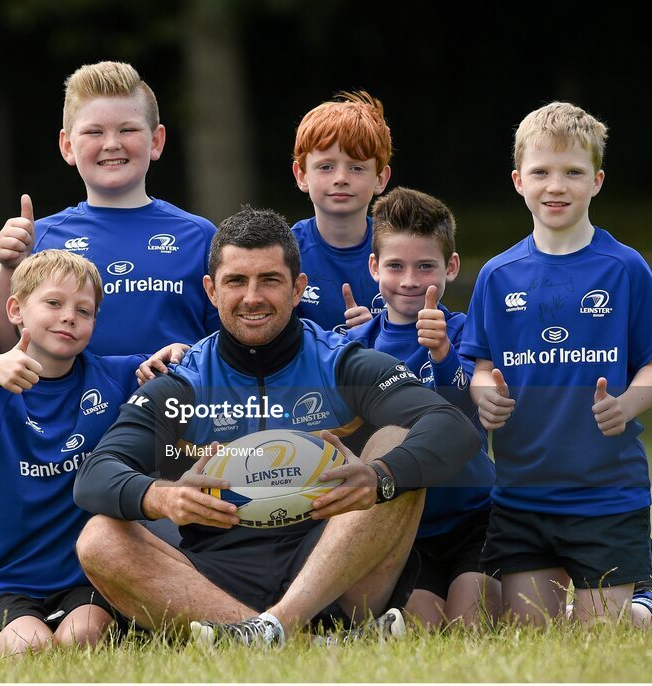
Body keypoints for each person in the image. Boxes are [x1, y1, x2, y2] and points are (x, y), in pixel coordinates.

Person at [72, 206, 481, 646]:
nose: (253, 297)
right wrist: (164, 497)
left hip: (333, 566)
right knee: (98, 538)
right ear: (211, 290)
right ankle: (298, 639)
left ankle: (273, 630)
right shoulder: (183, 382)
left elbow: (452, 427)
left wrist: (379, 478)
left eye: (269, 280)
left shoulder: (340, 361)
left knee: (396, 444)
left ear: (297, 288)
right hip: (216, 573)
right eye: (235, 281)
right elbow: (96, 474)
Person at [460, 102, 652, 627]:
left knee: (600, 633)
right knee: (528, 631)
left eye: (573, 173)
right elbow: (481, 365)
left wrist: (628, 402)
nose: (555, 186)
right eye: (541, 172)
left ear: (597, 181)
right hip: (521, 495)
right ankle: (621, 591)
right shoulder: (497, 275)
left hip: (605, 495)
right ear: (518, 180)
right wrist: (482, 394)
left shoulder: (624, 268)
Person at [0, 250, 185, 655]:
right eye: (54, 303)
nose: (69, 316)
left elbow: (184, 366)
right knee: (30, 648)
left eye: (84, 311)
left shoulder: (115, 376)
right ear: (15, 309)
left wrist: (176, 351)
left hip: (85, 578)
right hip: (6, 582)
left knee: (81, 640)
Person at [345, 187, 499, 628]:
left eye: (425, 266)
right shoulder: (354, 346)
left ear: (450, 267)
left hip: (474, 518)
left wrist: (444, 355)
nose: (410, 280)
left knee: (470, 623)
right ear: (374, 267)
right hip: (407, 530)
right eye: (395, 266)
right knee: (425, 629)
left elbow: (469, 422)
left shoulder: (467, 334)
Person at [0, 61, 219, 357]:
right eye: (94, 132)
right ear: (68, 146)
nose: (111, 144)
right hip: (71, 405)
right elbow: (8, 348)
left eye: (127, 129)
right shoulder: (40, 237)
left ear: (156, 141)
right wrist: (9, 267)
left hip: (176, 402)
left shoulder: (199, 235)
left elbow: (226, 347)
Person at [290, 91, 392, 333]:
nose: (341, 179)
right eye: (326, 167)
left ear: (380, 178)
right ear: (301, 175)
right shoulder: (284, 252)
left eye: (357, 167)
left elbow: (427, 339)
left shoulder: (401, 248)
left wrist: (381, 334)